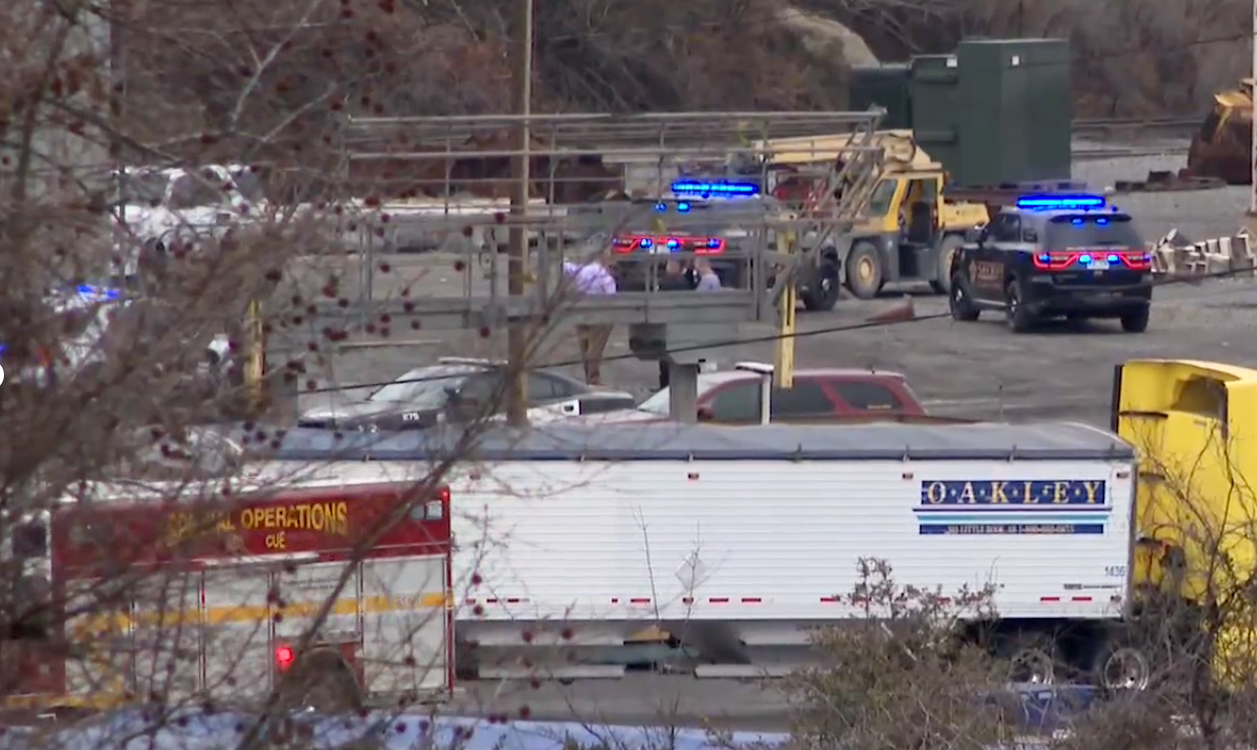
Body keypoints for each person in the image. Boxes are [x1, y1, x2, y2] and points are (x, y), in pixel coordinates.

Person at [563, 249, 617, 385]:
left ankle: (588, 374)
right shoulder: (604, 276)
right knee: (596, 347)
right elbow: (613, 297)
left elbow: (567, 268)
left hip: (580, 311)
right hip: (599, 314)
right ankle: (593, 377)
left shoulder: (582, 271)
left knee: (584, 345)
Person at [655, 260, 696, 389]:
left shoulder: (664, 283)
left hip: (666, 326)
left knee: (665, 362)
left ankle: (664, 388)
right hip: (681, 326)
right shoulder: (684, 282)